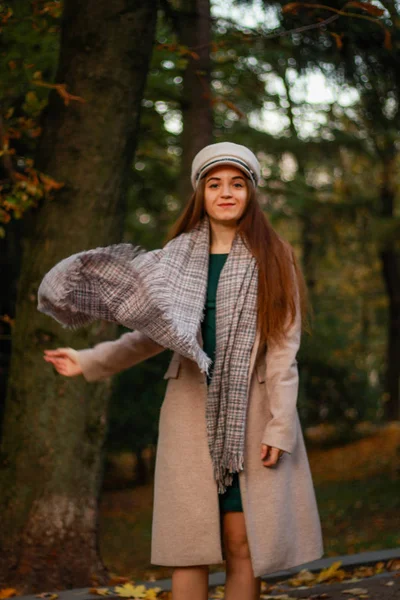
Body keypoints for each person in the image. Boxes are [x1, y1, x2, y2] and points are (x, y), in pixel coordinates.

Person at [41, 142, 324, 600]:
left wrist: (279, 427)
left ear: (251, 192)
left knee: (242, 543)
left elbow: (282, 351)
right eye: (215, 184)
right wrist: (90, 360)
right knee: (187, 548)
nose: (226, 193)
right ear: (201, 193)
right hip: (188, 414)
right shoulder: (174, 260)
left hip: (251, 419)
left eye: (237, 184)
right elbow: (151, 336)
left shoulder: (275, 257)